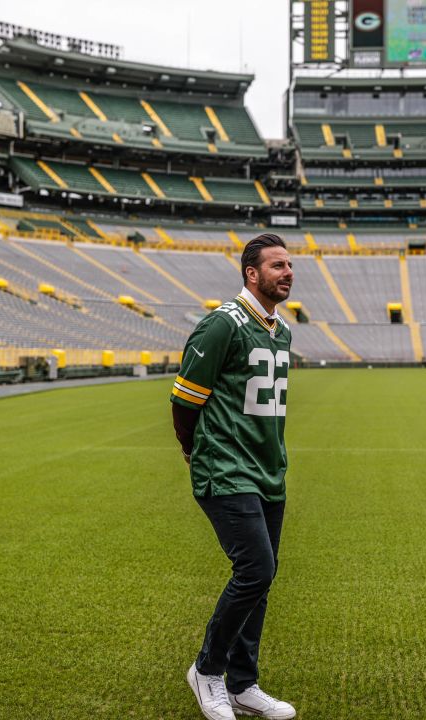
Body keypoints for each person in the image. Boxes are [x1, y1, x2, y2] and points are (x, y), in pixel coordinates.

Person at [171, 234, 297, 720]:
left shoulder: (280, 329)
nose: (287, 273)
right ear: (251, 274)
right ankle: (207, 670)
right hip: (226, 468)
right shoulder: (222, 325)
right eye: (277, 266)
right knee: (255, 570)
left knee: (263, 579)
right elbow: (184, 402)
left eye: (290, 266)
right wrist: (193, 449)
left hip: (268, 470)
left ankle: (243, 683)